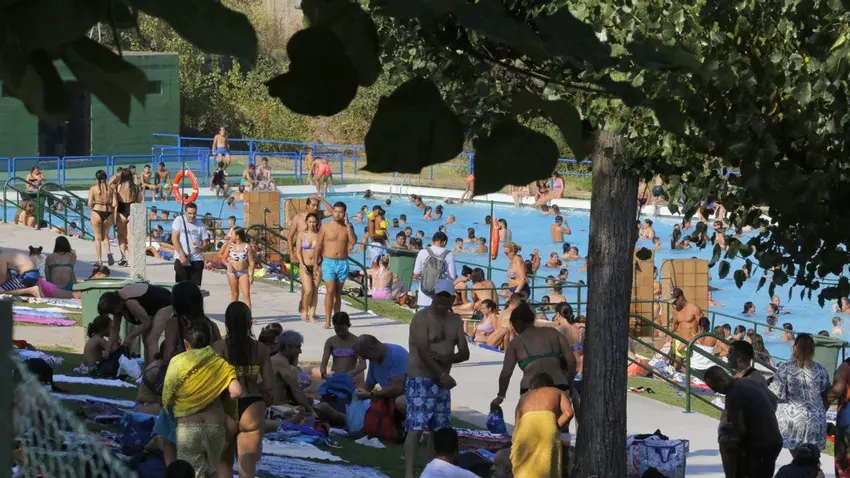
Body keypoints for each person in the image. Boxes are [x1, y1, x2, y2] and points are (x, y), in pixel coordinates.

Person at [405, 279, 470, 478]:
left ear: (452, 299)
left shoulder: (455, 321)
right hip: (421, 378)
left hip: (442, 381)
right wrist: (441, 374)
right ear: (433, 295)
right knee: (416, 427)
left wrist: (447, 359)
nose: (442, 301)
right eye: (439, 296)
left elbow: (464, 352)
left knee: (439, 430)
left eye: (446, 297)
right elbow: (422, 351)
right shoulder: (421, 318)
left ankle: (432, 470)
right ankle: (409, 473)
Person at [162, 319, 241, 477]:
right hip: (215, 426)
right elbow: (236, 391)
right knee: (212, 471)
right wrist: (216, 394)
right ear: (210, 342)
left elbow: (168, 396)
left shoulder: (178, 362)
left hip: (188, 427)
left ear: (186, 343)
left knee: (191, 473)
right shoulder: (220, 364)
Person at [212, 302, 273, 478]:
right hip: (252, 406)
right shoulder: (261, 349)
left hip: (227, 405)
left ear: (227, 323)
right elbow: (269, 386)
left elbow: (215, 382)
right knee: (247, 470)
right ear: (249, 322)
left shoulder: (219, 347)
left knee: (224, 465)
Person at [703, 366, 783, 478]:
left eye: (714, 387)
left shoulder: (733, 394)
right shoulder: (749, 382)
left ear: (722, 379)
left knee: (726, 443)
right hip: (774, 440)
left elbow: (740, 429)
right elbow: (773, 399)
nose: (715, 391)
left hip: (762, 445)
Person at [769, 334, 830, 453]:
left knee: (799, 458)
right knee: (812, 460)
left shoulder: (786, 367)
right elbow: (826, 397)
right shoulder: (821, 370)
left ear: (794, 347)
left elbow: (775, 394)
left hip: (792, 423)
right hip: (816, 422)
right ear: (812, 351)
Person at [511, 373, 573, 478]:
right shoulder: (557, 391)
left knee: (524, 467)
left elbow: (517, 424)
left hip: (525, 429)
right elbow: (568, 413)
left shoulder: (524, 397)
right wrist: (555, 426)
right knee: (547, 464)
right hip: (547, 425)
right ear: (550, 384)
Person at [98, 283, 173, 363]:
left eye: (111, 312)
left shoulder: (129, 302)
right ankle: (147, 368)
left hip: (165, 302)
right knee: (145, 339)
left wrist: (130, 337)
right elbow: (115, 329)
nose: (112, 314)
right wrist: (107, 349)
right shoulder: (118, 305)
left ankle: (154, 368)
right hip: (152, 308)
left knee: (151, 339)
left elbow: (146, 322)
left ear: (116, 305)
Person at [316, 202, 355, 329]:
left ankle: (337, 320)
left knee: (338, 293)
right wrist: (316, 263)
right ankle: (327, 320)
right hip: (329, 261)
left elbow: (353, 241)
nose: (337, 214)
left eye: (340, 212)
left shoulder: (348, 227)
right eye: (336, 211)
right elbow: (318, 245)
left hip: (342, 262)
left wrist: (348, 226)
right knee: (330, 290)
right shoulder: (326, 227)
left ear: (345, 213)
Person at [269, 330, 316, 419]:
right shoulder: (279, 361)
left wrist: (294, 360)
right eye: (298, 347)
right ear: (288, 347)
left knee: (316, 403)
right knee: (321, 408)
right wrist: (312, 411)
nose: (300, 351)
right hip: (277, 408)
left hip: (281, 405)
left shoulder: (280, 360)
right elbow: (296, 389)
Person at [354, 334, 408, 411]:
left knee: (400, 402)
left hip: (409, 394)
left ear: (372, 349)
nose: (366, 359)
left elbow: (397, 388)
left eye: (365, 356)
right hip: (391, 397)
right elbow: (369, 385)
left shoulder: (396, 355)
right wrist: (359, 394)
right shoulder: (374, 359)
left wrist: (371, 395)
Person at [412, 231, 457, 308]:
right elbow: (452, 277)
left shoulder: (423, 252)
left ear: (433, 241)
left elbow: (416, 273)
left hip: (423, 294)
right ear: (444, 242)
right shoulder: (449, 254)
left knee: (423, 314)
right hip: (439, 295)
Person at [726, 340, 776, 408]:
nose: (727, 356)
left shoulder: (746, 383)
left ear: (739, 357)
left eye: (730, 353)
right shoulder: (755, 376)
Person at [320, 312, 366, 385]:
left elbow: (363, 365)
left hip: (349, 378)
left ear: (348, 325)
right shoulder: (330, 341)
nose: (340, 333)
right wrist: (324, 373)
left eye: (342, 330)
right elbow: (324, 362)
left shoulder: (357, 341)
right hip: (333, 376)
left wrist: (350, 374)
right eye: (337, 330)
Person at [171, 202, 209, 286]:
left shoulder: (201, 225)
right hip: (182, 258)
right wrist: (181, 255)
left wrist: (202, 248)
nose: (192, 216)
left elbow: (205, 243)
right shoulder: (179, 220)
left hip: (196, 259)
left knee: (195, 287)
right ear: (185, 212)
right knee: (181, 287)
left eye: (194, 213)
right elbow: (174, 239)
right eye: (190, 213)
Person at [219, 227, 255, 309]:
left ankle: (248, 314)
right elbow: (223, 258)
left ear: (237, 236)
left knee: (246, 294)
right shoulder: (230, 245)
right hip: (232, 273)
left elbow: (251, 262)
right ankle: (233, 313)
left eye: (232, 234)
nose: (230, 236)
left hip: (243, 272)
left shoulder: (247, 246)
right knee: (234, 294)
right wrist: (227, 264)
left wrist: (251, 275)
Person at [114, 168, 142, 266]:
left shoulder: (118, 187)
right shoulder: (136, 187)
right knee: (130, 237)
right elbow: (139, 201)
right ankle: (131, 260)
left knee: (121, 236)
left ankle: (123, 258)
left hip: (121, 212)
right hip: (131, 211)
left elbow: (115, 202)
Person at [88, 170, 115, 266]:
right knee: (106, 236)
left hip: (97, 211)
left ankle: (99, 261)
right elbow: (114, 203)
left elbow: (89, 203)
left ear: (97, 178)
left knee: (98, 238)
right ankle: (109, 253)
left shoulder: (93, 188)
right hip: (108, 212)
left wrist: (95, 203)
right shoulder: (110, 188)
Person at [669, 287, 702, 365]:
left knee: (690, 367)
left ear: (681, 297)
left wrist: (697, 339)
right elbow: (675, 324)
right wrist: (669, 335)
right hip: (679, 341)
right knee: (676, 366)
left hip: (691, 342)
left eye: (675, 301)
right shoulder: (676, 310)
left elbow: (703, 325)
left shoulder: (694, 308)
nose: (674, 304)